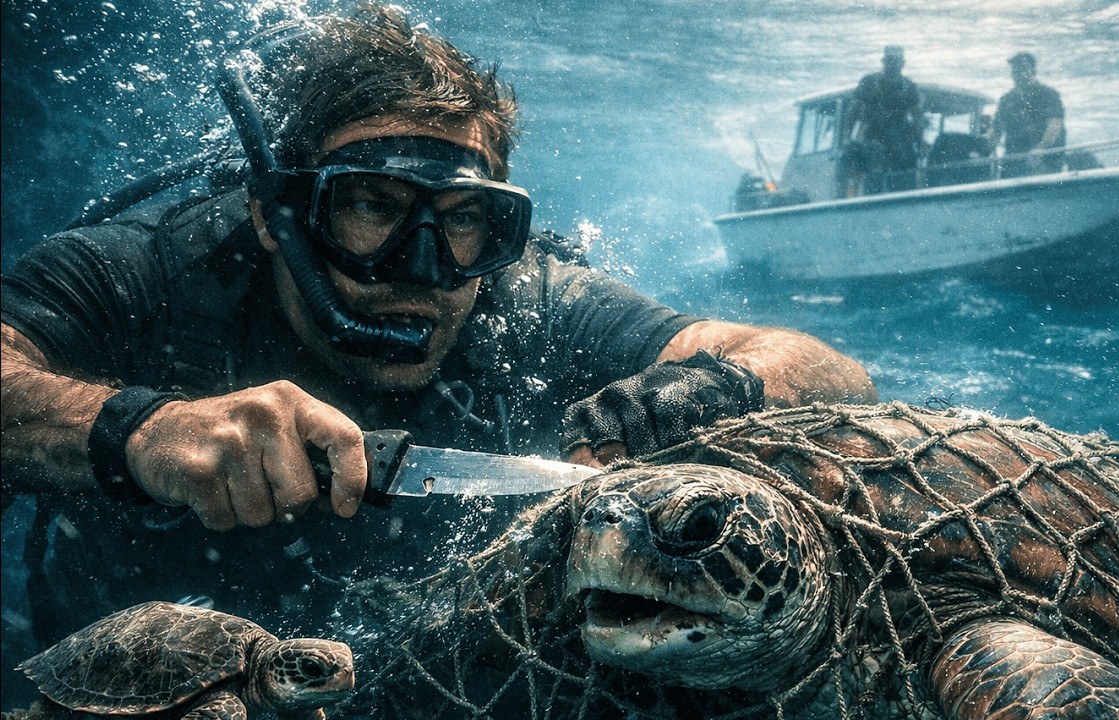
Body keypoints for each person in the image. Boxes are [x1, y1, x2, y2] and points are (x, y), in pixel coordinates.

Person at [0, 4, 877, 652]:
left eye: (467, 220)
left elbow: (825, 370)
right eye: (371, 206)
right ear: (275, 216)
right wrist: (140, 430)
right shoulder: (147, 271)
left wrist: (711, 388)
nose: (425, 269)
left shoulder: (533, 301)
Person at [847, 45, 925, 193]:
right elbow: (853, 110)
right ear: (884, 62)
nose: (893, 65)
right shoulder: (869, 82)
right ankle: (870, 197)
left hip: (900, 138)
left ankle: (907, 197)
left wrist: (920, 143)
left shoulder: (909, 86)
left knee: (908, 164)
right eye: (890, 61)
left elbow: (918, 117)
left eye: (896, 62)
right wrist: (848, 137)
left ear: (902, 64)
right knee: (872, 161)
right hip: (872, 136)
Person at [990, 52, 1065, 176]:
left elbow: (1055, 125)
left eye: (1024, 69)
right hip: (1012, 163)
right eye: (1015, 70)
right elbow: (995, 129)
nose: (1019, 74)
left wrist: (1041, 148)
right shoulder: (1006, 100)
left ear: (1034, 71)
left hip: (1044, 162)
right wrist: (988, 142)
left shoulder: (1049, 95)